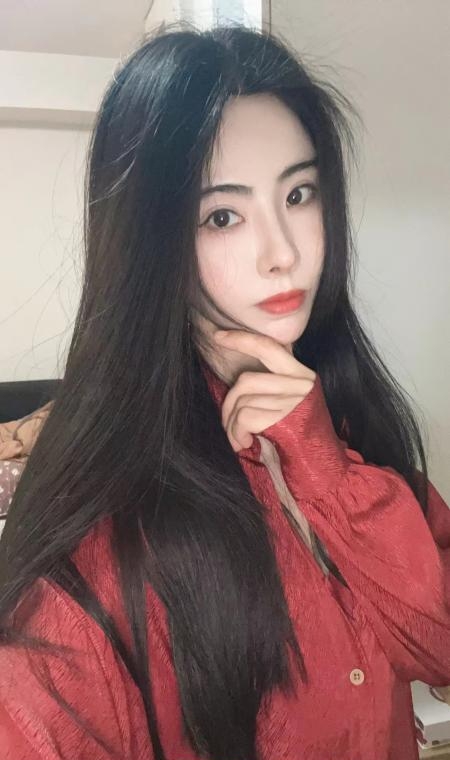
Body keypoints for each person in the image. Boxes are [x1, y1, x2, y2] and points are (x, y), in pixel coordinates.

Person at [0, 21, 448, 760]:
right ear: (152, 242)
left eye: (299, 193)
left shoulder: (349, 415)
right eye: (223, 215)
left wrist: (327, 471)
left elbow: (439, 643)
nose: (283, 251)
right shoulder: (92, 553)